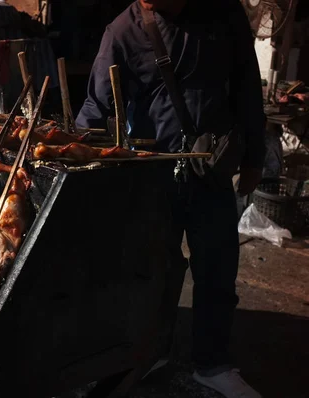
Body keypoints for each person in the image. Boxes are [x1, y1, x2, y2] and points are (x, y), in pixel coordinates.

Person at [76, 1, 265, 397]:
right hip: (153, 177)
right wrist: (75, 155)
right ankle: (149, 351)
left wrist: (254, 157)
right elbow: (97, 105)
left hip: (209, 169)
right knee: (149, 271)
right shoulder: (122, 31)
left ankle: (212, 364)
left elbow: (248, 85)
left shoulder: (223, 14)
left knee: (216, 270)